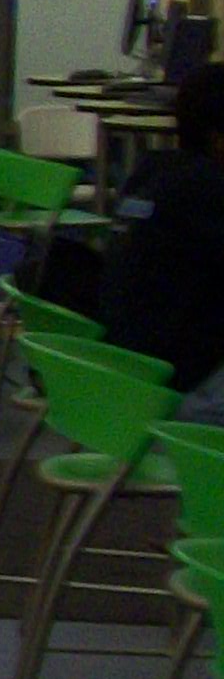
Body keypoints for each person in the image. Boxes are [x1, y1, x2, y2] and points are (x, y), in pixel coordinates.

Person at [103, 65, 224, 417]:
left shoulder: (150, 173)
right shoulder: (208, 193)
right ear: (218, 140)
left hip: (123, 380)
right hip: (180, 396)